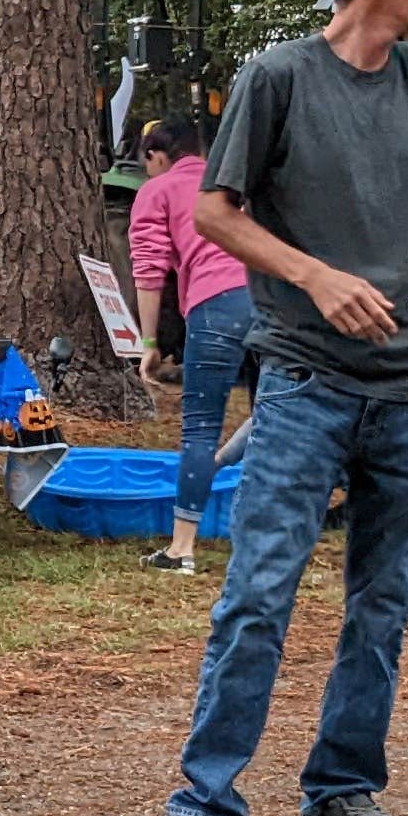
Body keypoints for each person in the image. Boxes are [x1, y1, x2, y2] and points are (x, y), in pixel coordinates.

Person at [145, 0, 408, 816]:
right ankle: (205, 803)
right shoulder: (279, 77)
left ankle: (343, 794)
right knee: (257, 593)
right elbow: (215, 212)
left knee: (383, 602)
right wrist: (315, 276)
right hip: (305, 384)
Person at [123, 114, 252, 577]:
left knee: (200, 427)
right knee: (279, 414)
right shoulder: (232, 181)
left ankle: (181, 549)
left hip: (217, 305)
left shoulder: (156, 191)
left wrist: (150, 341)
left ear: (157, 155)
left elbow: (149, 270)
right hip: (274, 298)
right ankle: (259, 539)